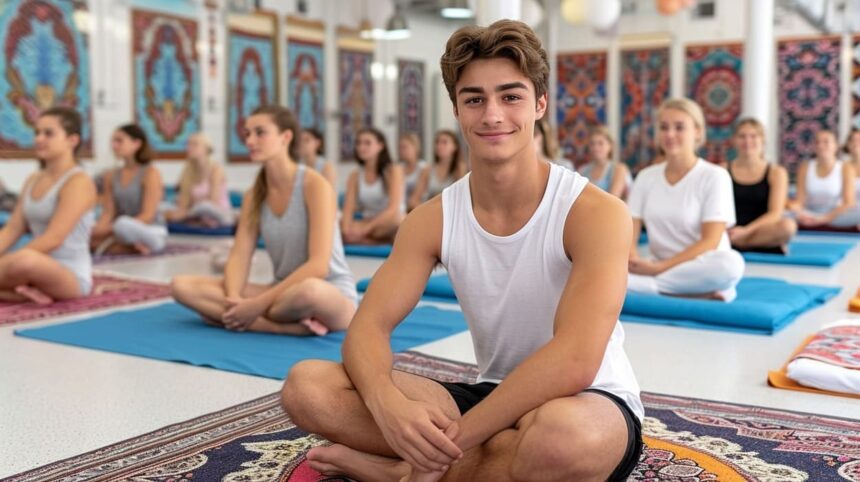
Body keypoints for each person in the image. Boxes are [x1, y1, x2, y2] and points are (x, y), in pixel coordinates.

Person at [283, 20, 642, 482]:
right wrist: (386, 404)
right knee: (307, 387)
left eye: (510, 97)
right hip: (491, 393)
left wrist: (447, 442)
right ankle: (461, 466)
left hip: (589, 400)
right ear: (457, 110)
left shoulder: (596, 212)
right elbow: (366, 328)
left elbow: (575, 360)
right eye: (475, 99)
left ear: (539, 104)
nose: (492, 115)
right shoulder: (431, 218)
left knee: (559, 440)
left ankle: (402, 472)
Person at [171, 106, 356, 336]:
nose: (250, 140)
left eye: (260, 133)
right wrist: (234, 298)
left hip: (327, 292)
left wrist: (256, 305)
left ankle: (263, 322)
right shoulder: (254, 195)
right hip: (280, 293)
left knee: (310, 292)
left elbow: (318, 266)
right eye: (247, 134)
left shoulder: (315, 185)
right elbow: (240, 255)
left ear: (285, 137)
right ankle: (280, 326)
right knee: (181, 286)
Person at [627, 98, 745, 302]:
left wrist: (657, 269)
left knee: (731, 264)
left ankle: (652, 287)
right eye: (664, 127)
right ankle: (688, 291)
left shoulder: (715, 176)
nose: (670, 134)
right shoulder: (646, 177)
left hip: (700, 266)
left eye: (679, 127)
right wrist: (633, 259)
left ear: (698, 131)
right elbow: (629, 230)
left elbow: (711, 241)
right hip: (657, 264)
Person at [0, 107, 96, 304]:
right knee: (21, 260)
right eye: (37, 133)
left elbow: (54, 238)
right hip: (30, 263)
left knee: (24, 260)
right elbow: (12, 229)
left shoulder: (79, 181)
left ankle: (16, 291)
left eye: (48, 133)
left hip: (69, 275)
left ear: (72, 140)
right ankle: (18, 294)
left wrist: (8, 262)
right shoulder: (33, 179)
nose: (39, 139)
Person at [90, 124, 167, 254]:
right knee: (85, 234)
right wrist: (97, 229)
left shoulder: (151, 173)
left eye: (119, 141)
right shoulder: (110, 175)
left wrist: (110, 230)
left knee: (122, 223)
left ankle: (119, 245)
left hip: (147, 229)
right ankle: (129, 248)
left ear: (136, 144)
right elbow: (108, 213)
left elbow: (148, 215)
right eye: (113, 141)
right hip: (119, 230)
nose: (114, 146)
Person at [727, 118, 796, 253]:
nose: (747, 141)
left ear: (762, 140)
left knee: (788, 226)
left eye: (753, 136)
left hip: (758, 230)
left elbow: (775, 213)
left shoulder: (776, 173)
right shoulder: (722, 170)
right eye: (742, 136)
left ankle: (740, 243)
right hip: (729, 231)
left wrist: (746, 232)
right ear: (734, 140)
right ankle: (761, 245)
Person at [341, 128, 405, 244]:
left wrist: (366, 229)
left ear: (380, 146)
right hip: (368, 221)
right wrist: (346, 229)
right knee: (336, 223)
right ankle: (376, 241)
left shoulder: (394, 171)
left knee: (398, 221)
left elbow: (393, 209)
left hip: (389, 222)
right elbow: (347, 210)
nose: (361, 147)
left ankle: (367, 239)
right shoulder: (354, 176)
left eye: (367, 143)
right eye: (359, 143)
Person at [789, 130, 858, 228]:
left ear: (835, 145)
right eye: (817, 142)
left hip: (836, 214)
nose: (821, 145)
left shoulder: (845, 168)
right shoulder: (805, 167)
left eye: (826, 142)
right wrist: (796, 210)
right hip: (809, 212)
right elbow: (800, 201)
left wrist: (824, 219)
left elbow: (848, 203)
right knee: (782, 213)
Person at [164, 133, 233, 227]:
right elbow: (183, 201)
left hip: (217, 214)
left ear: (206, 149)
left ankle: (189, 216)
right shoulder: (187, 171)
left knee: (204, 206)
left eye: (194, 144)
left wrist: (191, 204)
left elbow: (213, 201)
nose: (189, 147)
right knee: (163, 207)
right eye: (188, 144)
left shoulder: (216, 170)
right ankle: (190, 217)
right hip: (194, 212)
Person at [410, 130, 468, 207]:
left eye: (444, 142)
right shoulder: (428, 170)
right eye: (437, 142)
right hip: (431, 210)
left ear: (455, 147)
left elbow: (462, 197)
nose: (439, 146)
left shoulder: (460, 168)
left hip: (452, 210)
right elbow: (414, 199)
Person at [577, 125, 631, 199]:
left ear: (610, 146)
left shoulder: (619, 169)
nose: (596, 147)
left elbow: (613, 200)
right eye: (592, 144)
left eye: (600, 143)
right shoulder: (582, 171)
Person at [400, 133, 427, 211]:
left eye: (405, 147)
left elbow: (418, 195)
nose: (401, 151)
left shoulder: (423, 168)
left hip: (418, 207)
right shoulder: (398, 168)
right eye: (400, 148)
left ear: (415, 148)